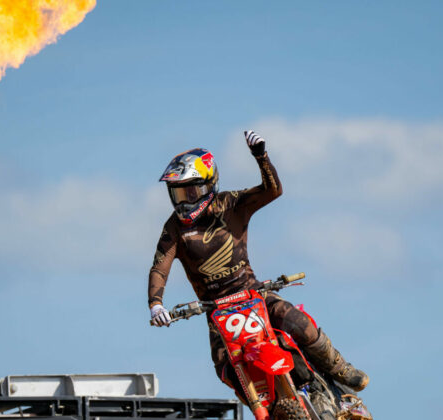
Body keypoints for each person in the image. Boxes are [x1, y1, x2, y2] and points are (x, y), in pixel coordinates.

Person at [148, 130, 368, 397]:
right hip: (216, 311)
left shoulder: (230, 204)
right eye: (179, 193)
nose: (186, 200)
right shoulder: (173, 228)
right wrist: (156, 304)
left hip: (254, 294)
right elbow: (160, 267)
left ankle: (340, 368)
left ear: (209, 185)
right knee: (225, 371)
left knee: (296, 321)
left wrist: (261, 157)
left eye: (192, 191)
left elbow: (272, 190)